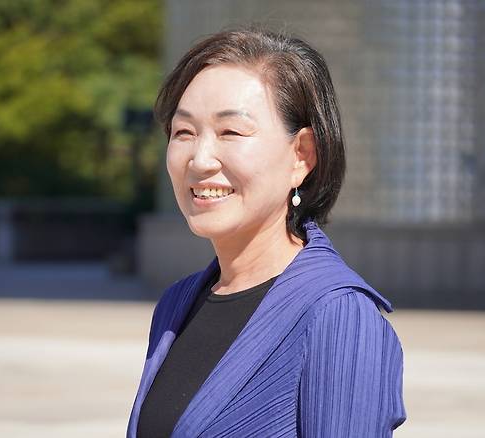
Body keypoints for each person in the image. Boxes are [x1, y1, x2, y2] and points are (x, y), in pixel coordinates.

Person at [127, 28, 407, 437]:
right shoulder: (177, 304)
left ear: (302, 155)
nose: (200, 159)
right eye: (184, 132)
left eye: (231, 132)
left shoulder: (337, 316)